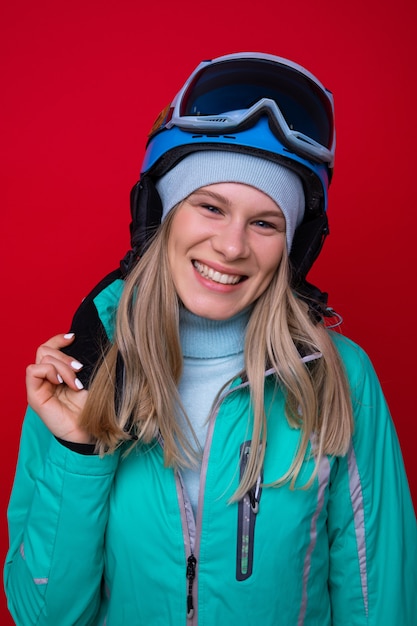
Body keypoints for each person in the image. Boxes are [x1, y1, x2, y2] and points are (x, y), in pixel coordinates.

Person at [4, 52, 417, 625]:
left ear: (294, 247)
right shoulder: (83, 374)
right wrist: (79, 450)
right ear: (162, 215)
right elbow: (41, 616)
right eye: (210, 206)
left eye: (266, 222)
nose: (231, 246)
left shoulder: (341, 378)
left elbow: (380, 606)